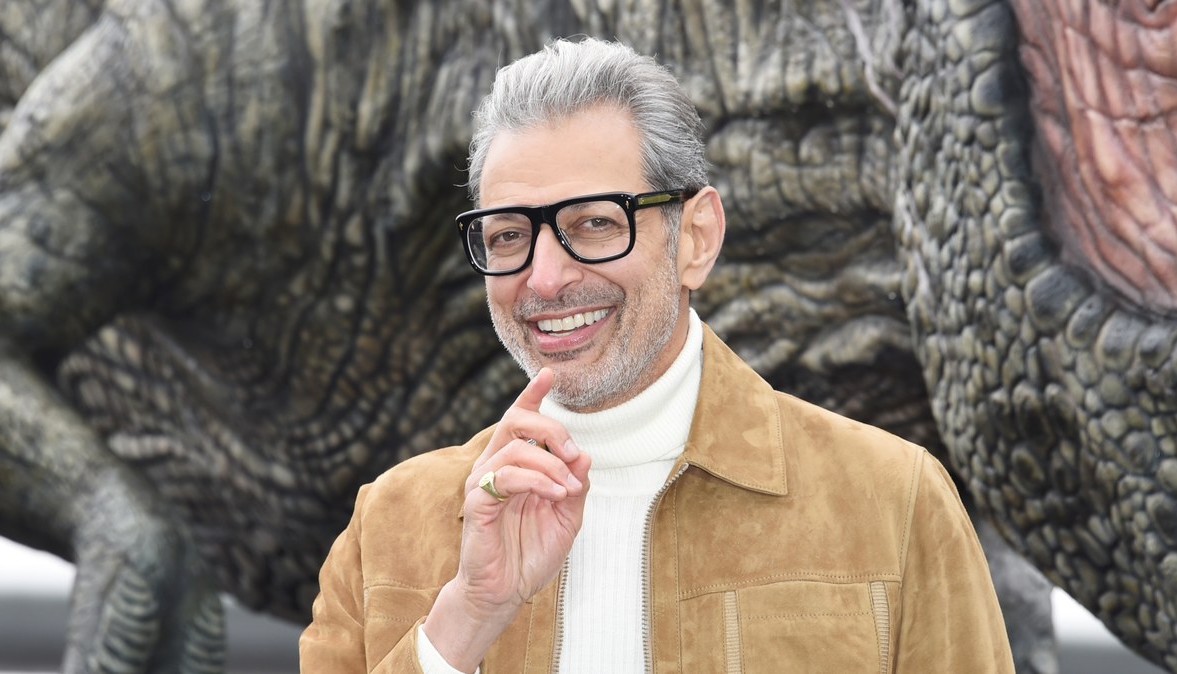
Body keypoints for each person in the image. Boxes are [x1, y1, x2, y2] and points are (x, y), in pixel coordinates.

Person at [299, 37, 1013, 673]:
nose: (544, 279)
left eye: (595, 223)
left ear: (696, 237)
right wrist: (464, 621)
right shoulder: (388, 527)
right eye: (510, 235)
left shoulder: (894, 504)